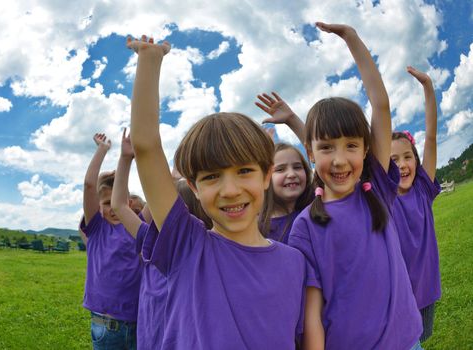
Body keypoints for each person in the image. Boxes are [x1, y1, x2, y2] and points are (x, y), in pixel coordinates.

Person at [127, 34, 310, 349]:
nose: (230, 189)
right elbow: (145, 147)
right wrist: (149, 60)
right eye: (212, 176)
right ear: (194, 188)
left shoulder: (295, 263)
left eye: (244, 171)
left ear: (267, 175)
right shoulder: (186, 244)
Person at [288, 23, 422, 349]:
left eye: (351, 145)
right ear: (310, 153)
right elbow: (312, 313)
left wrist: (352, 38)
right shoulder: (305, 226)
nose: (339, 160)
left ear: (366, 149)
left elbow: (381, 105)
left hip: (408, 342)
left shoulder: (378, 189)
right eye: (326, 147)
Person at [111, 128, 212, 349]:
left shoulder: (203, 252)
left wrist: (125, 158)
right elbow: (119, 206)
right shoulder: (154, 242)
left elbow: (118, 204)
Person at [391, 66, 440, 343]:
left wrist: (428, 89)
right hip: (398, 297)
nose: (402, 165)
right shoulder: (382, 199)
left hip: (426, 292)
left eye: (407, 157)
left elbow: (431, 138)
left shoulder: (423, 189)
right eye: (393, 160)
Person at [81, 132, 142, 350]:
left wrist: (129, 158)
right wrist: (102, 149)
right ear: (97, 206)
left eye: (117, 201)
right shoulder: (97, 229)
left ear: (129, 202)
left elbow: (157, 196)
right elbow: (89, 185)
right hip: (107, 328)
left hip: (139, 325)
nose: (112, 208)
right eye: (106, 202)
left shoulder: (138, 227)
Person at [256, 92, 314, 243]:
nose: (291, 174)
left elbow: (318, 154)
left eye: (297, 167)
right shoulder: (257, 227)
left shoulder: (315, 207)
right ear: (265, 178)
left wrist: (292, 120)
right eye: (280, 169)